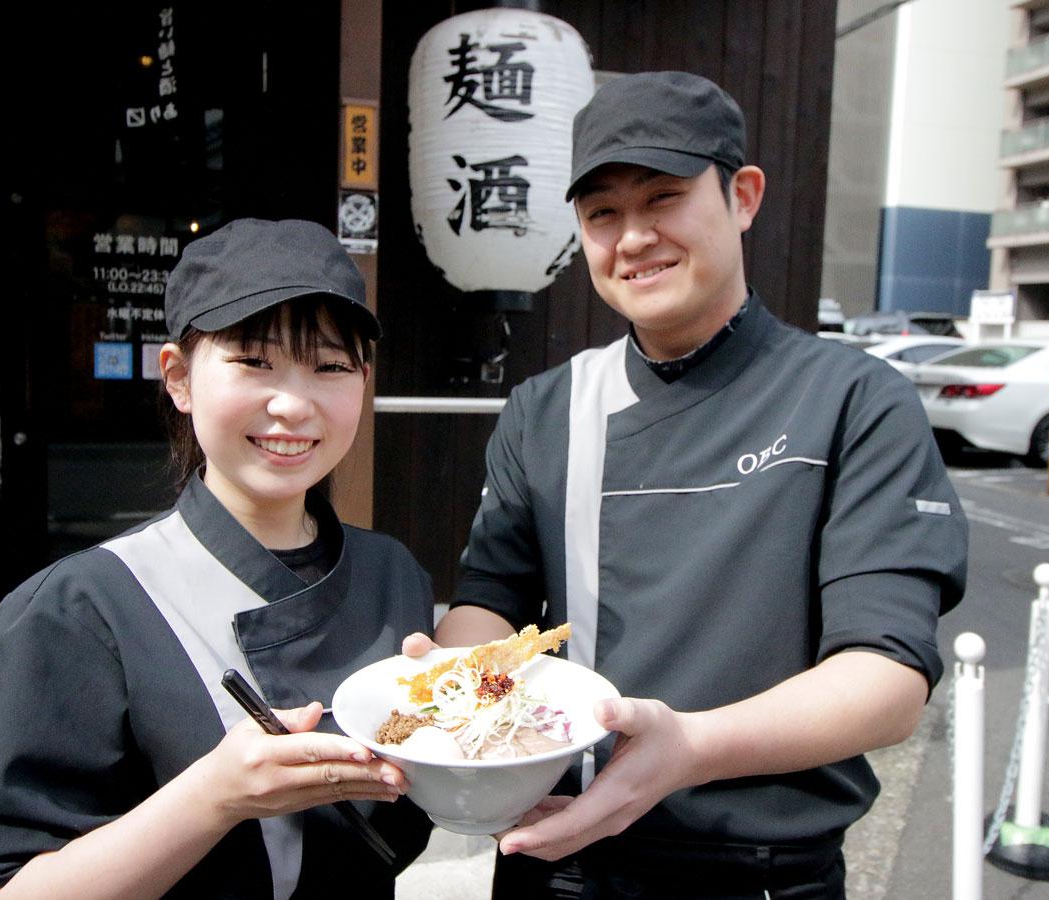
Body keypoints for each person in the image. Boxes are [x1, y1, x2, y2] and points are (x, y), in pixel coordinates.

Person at [406, 72, 967, 898]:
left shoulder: (851, 399)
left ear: (743, 197)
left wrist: (692, 747)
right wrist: (450, 681)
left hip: (758, 871)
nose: (633, 237)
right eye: (602, 213)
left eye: (663, 197)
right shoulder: (548, 409)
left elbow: (886, 679)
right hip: (556, 857)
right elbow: (492, 601)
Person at [0, 218, 435, 899]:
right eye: (254, 361)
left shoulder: (393, 574)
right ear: (178, 377)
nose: (293, 405)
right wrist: (215, 797)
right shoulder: (81, 607)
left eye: (331, 366)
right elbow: (3, 890)